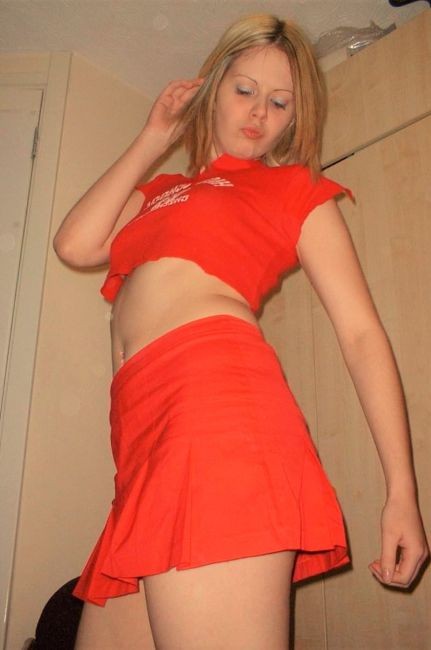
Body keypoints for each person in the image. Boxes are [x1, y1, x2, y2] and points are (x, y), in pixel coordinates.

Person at [53, 13, 429, 650]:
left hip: (217, 416)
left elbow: (362, 334)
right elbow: (75, 243)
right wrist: (154, 135)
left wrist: (402, 492)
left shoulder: (292, 188)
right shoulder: (161, 190)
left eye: (280, 102)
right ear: (211, 87)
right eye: (245, 89)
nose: (259, 112)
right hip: (142, 446)